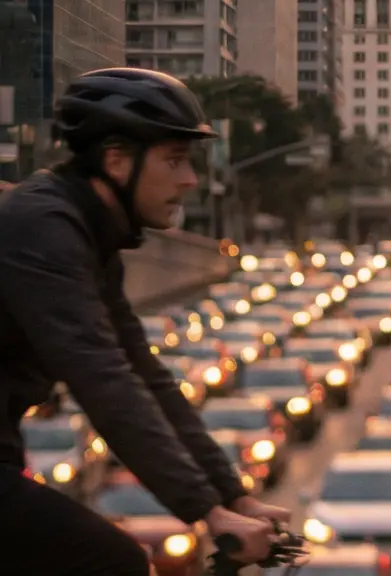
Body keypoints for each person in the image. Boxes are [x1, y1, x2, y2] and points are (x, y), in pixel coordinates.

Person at [0, 68, 290, 574]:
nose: (190, 179)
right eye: (174, 160)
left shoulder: (91, 239)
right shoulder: (42, 227)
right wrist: (206, 512)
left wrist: (232, 497)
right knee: (113, 562)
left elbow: (145, 375)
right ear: (117, 161)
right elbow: (103, 380)